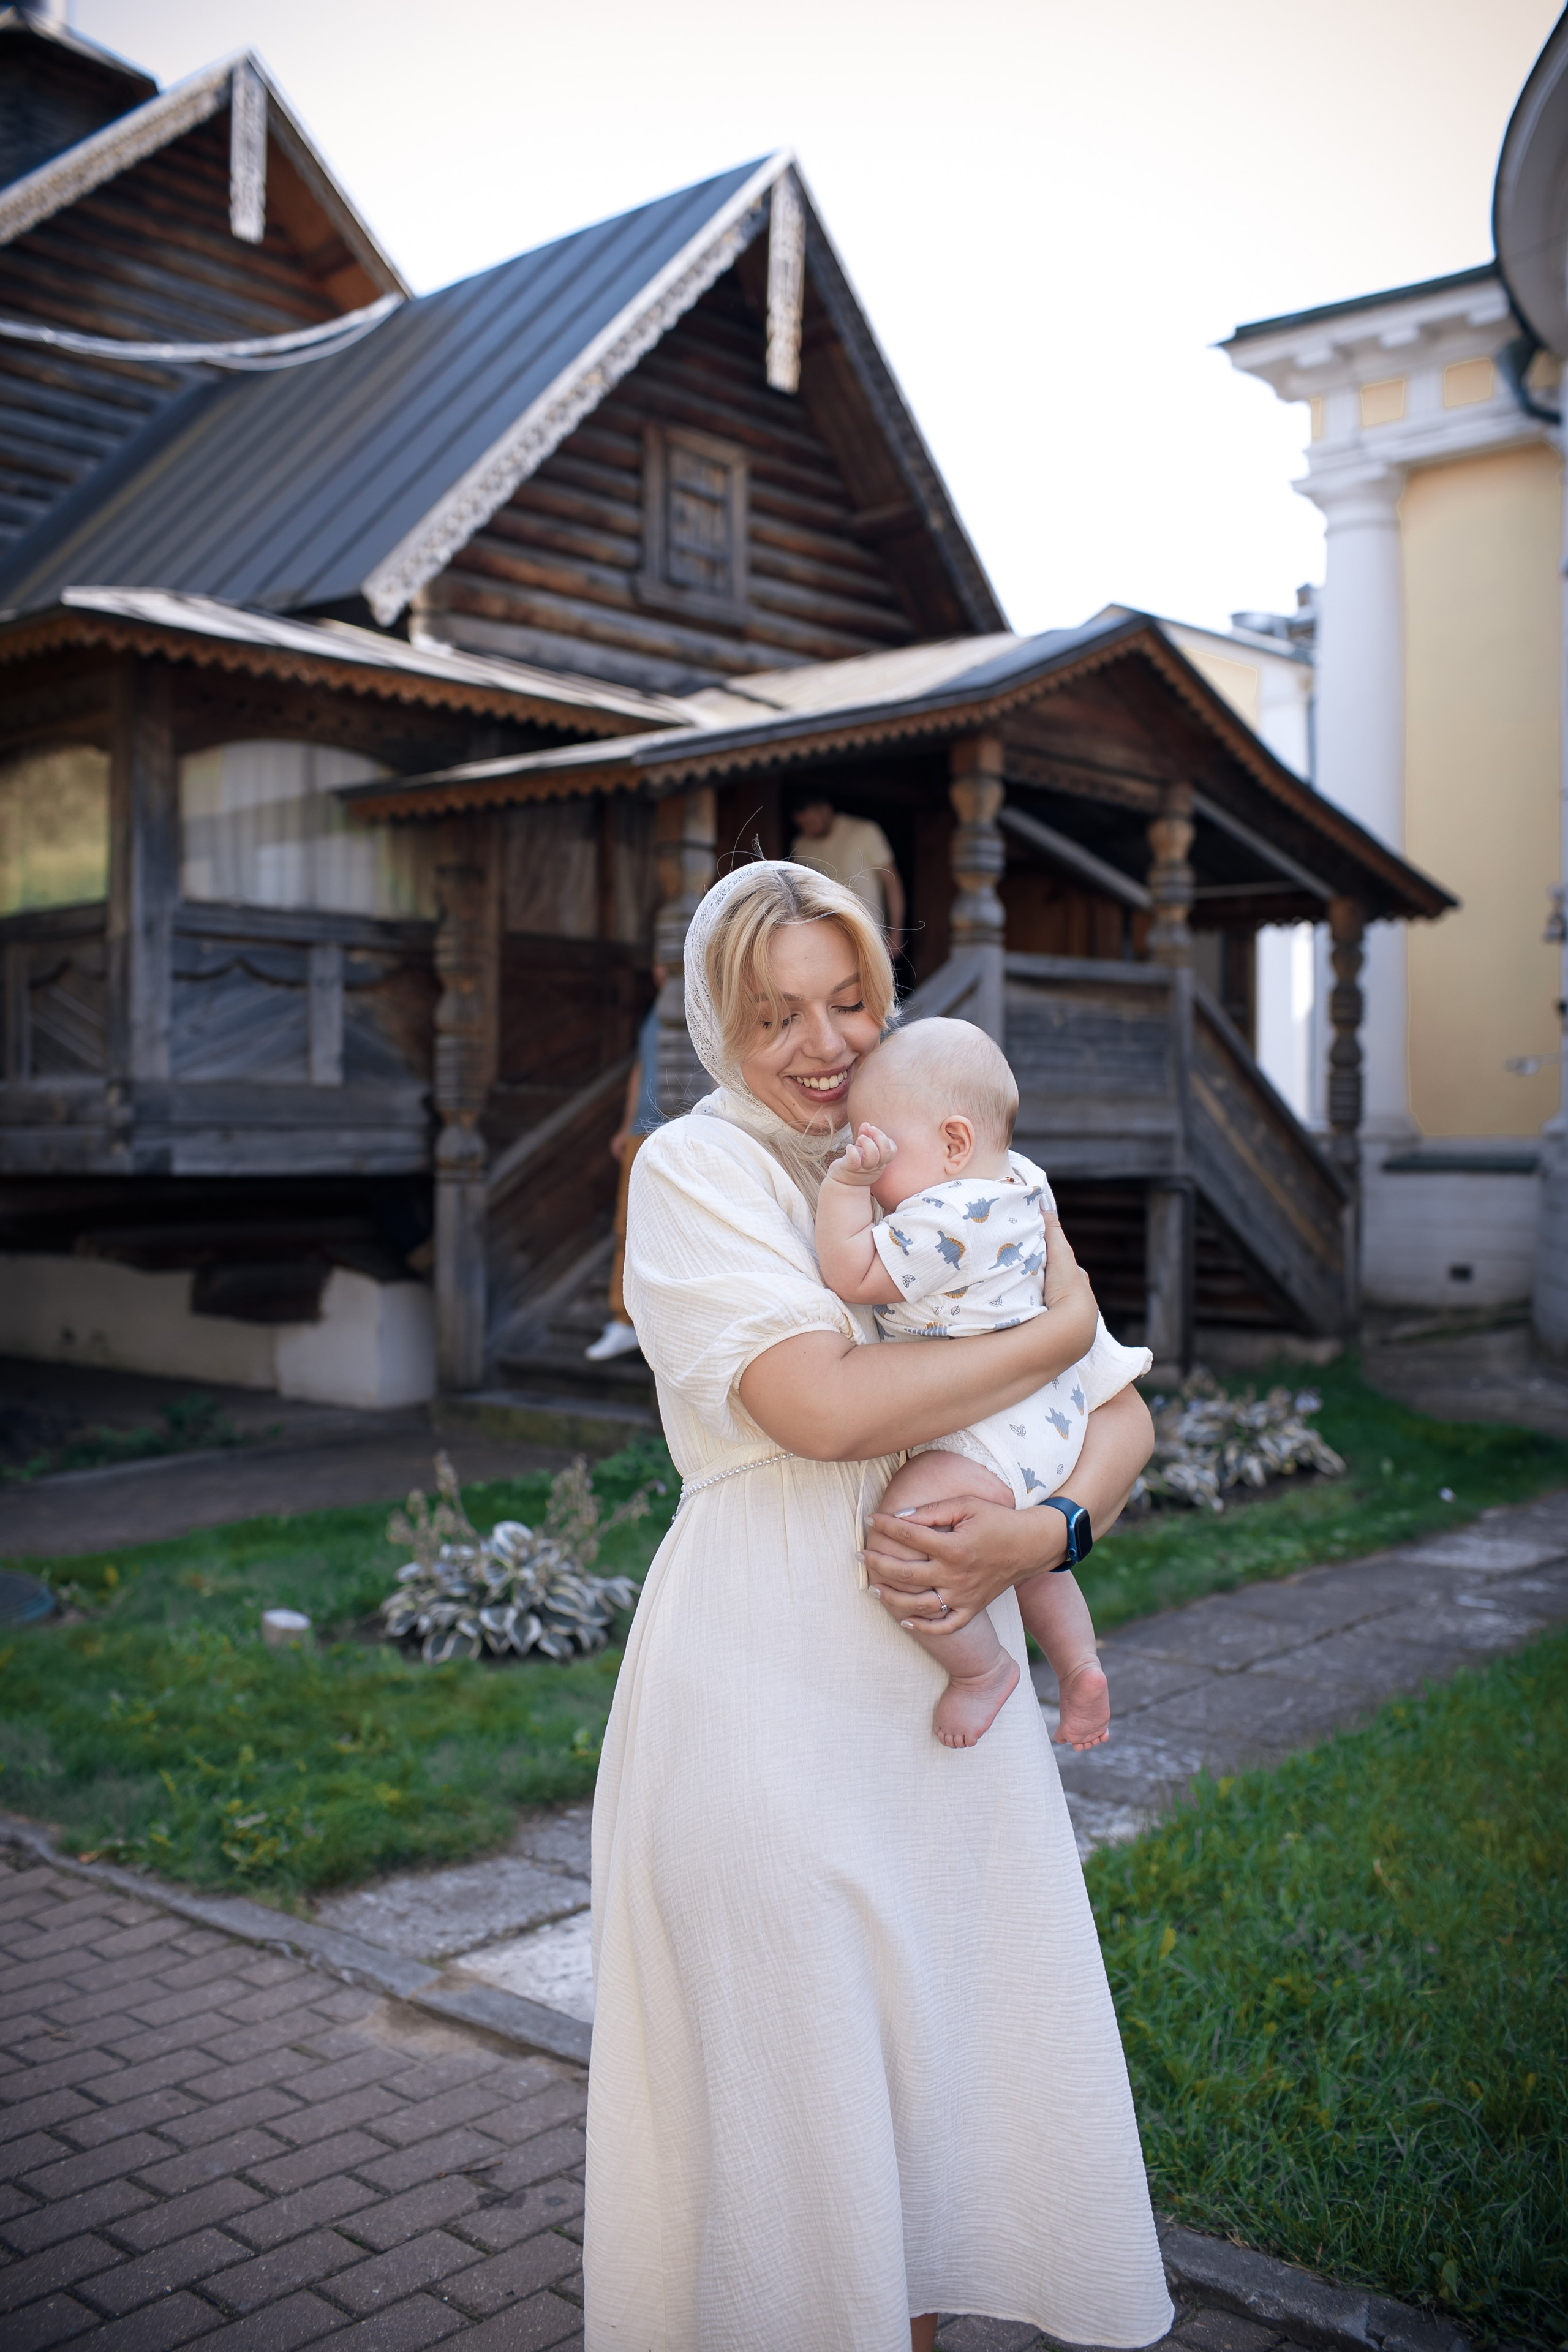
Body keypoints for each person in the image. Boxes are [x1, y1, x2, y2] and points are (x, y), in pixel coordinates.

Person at [585, 858, 1172, 2352]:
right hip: (762, 1672)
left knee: (922, 2104)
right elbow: (823, 1408)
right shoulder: (694, 1170)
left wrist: (1038, 1531)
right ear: (719, 1022)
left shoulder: (953, 1152)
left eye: (848, 997)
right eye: (773, 1011)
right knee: (799, 2115)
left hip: (940, 1706)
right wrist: (1050, 1326)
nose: (821, 1041)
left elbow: (1117, 1424)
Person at [815, 1016, 1151, 1749]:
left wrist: (844, 1184)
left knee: (905, 1540)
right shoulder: (1021, 1181)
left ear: (954, 1144)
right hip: (1052, 1416)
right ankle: (1079, 1663)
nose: (867, 1160)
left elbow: (850, 1270)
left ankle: (983, 1672)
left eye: (876, 1144)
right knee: (1030, 1563)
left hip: (985, 1427)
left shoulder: (945, 1216)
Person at [585, 967, 666, 1363]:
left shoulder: (701, 1003)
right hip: (641, 1130)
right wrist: (624, 1125)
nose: (661, 967)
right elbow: (640, 1069)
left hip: (676, 1128)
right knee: (627, 1224)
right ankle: (623, 1320)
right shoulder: (656, 1011)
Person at [791, 793, 906, 953]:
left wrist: (896, 931)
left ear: (826, 810)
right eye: (803, 825)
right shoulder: (801, 844)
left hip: (869, 931)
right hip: (824, 937)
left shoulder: (865, 832)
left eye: (811, 822)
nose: (808, 830)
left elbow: (891, 881)